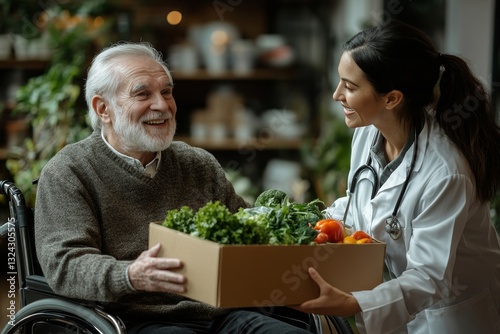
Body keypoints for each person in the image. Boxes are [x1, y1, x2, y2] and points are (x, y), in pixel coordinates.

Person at [34, 42, 315, 334]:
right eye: (143, 94)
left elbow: (244, 233)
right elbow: (65, 266)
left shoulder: (196, 163)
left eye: (166, 92)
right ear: (103, 109)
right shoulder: (70, 171)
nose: (162, 105)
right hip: (131, 320)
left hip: (221, 315)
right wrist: (130, 275)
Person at [293, 20, 500, 333]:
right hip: (399, 302)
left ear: (391, 98)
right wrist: (310, 223)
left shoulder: (446, 172)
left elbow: (429, 277)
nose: (337, 95)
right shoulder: (367, 132)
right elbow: (362, 202)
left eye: (349, 87)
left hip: (453, 315)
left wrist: (355, 305)